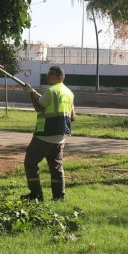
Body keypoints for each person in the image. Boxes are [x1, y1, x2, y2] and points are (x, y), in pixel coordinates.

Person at [21, 66, 76, 201]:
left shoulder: (51, 91)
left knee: (30, 163)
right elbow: (73, 117)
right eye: (48, 74)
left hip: (45, 135)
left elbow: (39, 108)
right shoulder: (69, 93)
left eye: (51, 74)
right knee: (56, 166)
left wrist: (30, 93)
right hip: (60, 136)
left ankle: (36, 195)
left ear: (60, 77)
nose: (48, 76)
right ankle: (59, 196)